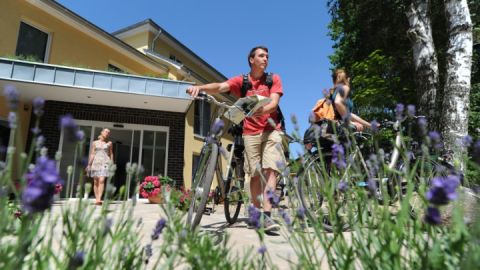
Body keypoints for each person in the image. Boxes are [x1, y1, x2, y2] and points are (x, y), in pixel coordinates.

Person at [186, 46, 285, 232]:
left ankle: (267, 216)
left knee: (271, 170)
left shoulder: (274, 79)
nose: (266, 59)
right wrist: (199, 87)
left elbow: (273, 104)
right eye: (261, 56)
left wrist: (259, 110)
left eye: (267, 56)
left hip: (272, 129)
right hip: (250, 133)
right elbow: (220, 86)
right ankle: (257, 215)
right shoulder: (243, 80)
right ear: (251, 59)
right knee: (255, 175)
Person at [86, 128, 113, 205]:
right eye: (106, 131)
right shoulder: (95, 143)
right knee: (95, 181)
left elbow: (111, 153)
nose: (107, 133)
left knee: (101, 180)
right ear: (102, 132)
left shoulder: (109, 143)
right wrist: (89, 164)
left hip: (105, 163)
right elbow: (92, 154)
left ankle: (99, 199)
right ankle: (97, 198)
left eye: (108, 132)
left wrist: (112, 163)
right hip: (96, 163)